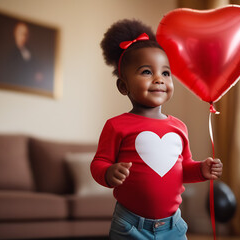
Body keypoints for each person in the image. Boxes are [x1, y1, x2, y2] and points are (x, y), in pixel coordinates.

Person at [90, 19, 223, 240]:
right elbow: (98, 163)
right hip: (130, 226)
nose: (159, 79)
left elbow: (183, 169)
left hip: (173, 226)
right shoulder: (116, 125)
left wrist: (201, 169)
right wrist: (108, 172)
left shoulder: (179, 126)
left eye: (166, 73)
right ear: (124, 86)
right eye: (146, 72)